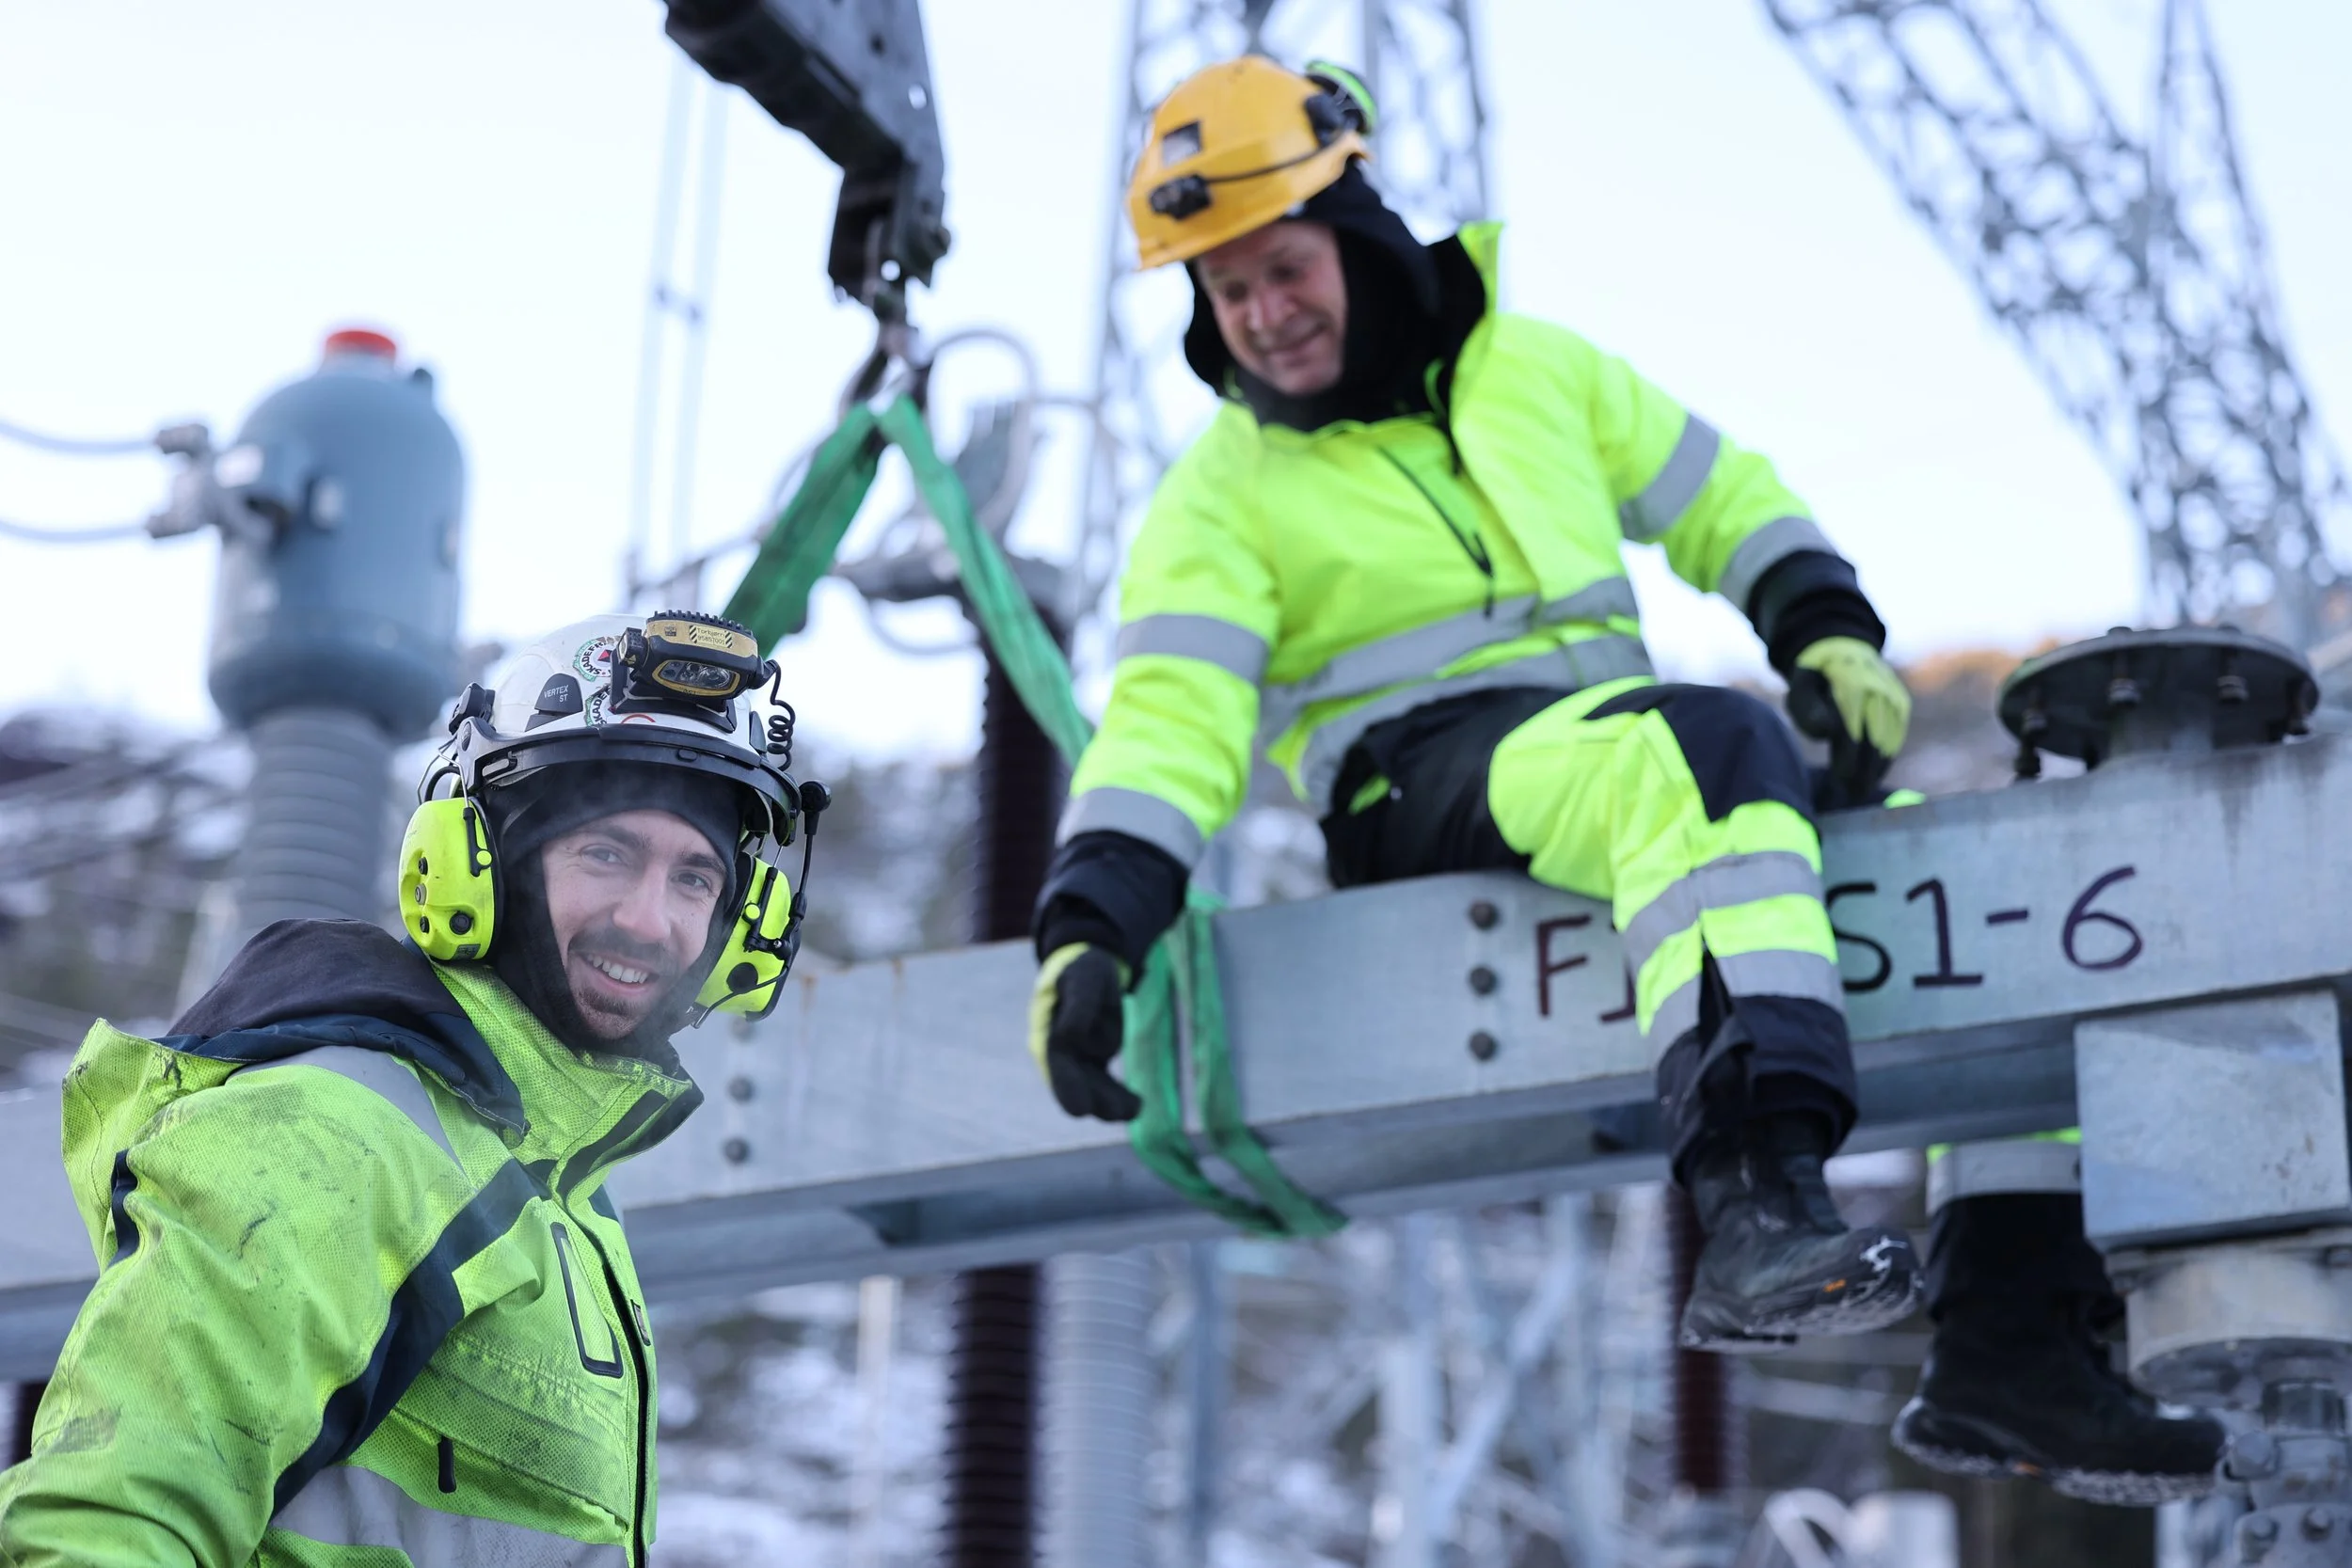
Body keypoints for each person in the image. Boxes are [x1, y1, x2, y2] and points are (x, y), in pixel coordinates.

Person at [1025, 55, 1921, 1354]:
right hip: (1414, 787)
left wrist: (1827, 632)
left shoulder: (1538, 369)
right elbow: (1171, 719)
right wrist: (1093, 923)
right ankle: (1755, 1209)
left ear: (1353, 225)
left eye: (1284, 269)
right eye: (1227, 291)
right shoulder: (1217, 497)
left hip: (1597, 752)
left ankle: (2019, 1331)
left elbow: (1724, 492)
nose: (1263, 314)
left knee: (1924, 830)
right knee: (1707, 747)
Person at [0, 610, 817, 1567]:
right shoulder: (333, 1124)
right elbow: (109, 1520)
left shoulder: (561, 1192)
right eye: (605, 854)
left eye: (694, 877)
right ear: (478, 864)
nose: (649, 919)